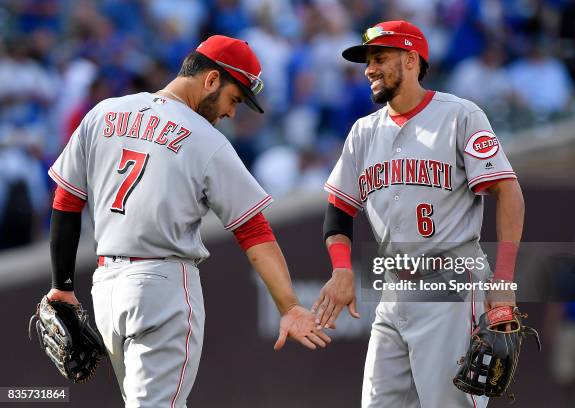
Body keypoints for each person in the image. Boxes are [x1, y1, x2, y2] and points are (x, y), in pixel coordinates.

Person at [43, 35, 330, 407]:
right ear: (211, 80)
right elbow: (254, 230)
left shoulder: (103, 113)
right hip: (163, 288)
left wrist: (61, 284)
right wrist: (290, 306)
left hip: (108, 291)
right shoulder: (205, 140)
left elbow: (66, 201)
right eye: (234, 100)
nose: (230, 113)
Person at [312, 21, 524, 407]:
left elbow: (507, 191)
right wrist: (341, 269)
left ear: (411, 60)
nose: (369, 69)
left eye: (379, 58)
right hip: (393, 289)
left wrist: (504, 278)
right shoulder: (363, 132)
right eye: (367, 61)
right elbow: (339, 209)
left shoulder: (460, 115)